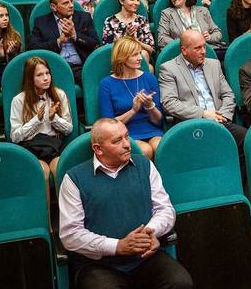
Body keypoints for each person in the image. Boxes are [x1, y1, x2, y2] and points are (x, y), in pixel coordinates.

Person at [58, 118, 192, 289]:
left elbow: (165, 209)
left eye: (127, 137)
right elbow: (71, 234)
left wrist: (150, 233)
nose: (127, 144)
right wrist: (117, 246)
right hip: (100, 265)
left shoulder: (145, 165)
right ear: (98, 149)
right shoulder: (74, 179)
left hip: (145, 257)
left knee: (180, 283)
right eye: (117, 141)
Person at [159, 29, 247, 164]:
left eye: (204, 46)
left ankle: (240, 183)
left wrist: (223, 116)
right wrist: (203, 114)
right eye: (198, 48)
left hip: (221, 122)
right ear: (184, 50)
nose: (204, 51)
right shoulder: (169, 69)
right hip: (192, 125)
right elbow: (169, 103)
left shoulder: (214, 64)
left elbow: (228, 94)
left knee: (247, 139)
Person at [10, 56, 72, 204]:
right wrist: (36, 120)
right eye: (39, 75)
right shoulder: (19, 100)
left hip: (53, 146)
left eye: (47, 73)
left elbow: (69, 129)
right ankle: (47, 222)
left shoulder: (59, 94)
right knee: (42, 173)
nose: (46, 78)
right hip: (31, 147)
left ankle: (66, 220)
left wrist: (53, 118)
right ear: (30, 78)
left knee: (59, 169)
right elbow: (15, 136)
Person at [98, 38, 162, 159]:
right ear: (122, 57)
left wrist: (150, 106)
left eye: (139, 53)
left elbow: (158, 121)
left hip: (152, 130)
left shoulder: (149, 78)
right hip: (124, 133)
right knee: (144, 150)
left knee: (160, 147)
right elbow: (108, 124)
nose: (140, 58)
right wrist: (133, 110)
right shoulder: (107, 84)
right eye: (135, 55)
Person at [28, 0, 99, 86]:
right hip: (53, 68)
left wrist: (75, 35)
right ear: (54, 7)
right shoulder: (41, 22)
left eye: (71, 1)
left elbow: (95, 44)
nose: (71, 5)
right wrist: (58, 41)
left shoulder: (84, 17)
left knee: (95, 82)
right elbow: (33, 48)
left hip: (80, 67)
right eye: (65, 3)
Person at [157, 0, 223, 52]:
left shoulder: (203, 11)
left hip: (207, 49)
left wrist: (209, 37)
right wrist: (184, 43)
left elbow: (217, 32)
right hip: (183, 53)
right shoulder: (167, 13)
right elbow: (162, 38)